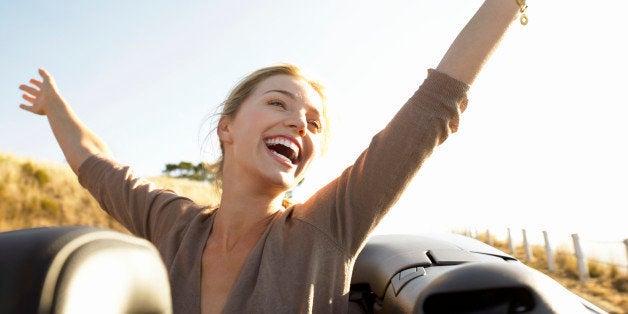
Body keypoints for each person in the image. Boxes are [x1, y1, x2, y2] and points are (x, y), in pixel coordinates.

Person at [18, 1, 526, 313]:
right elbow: (97, 166)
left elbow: (431, 111)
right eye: (279, 103)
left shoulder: (328, 225)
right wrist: (55, 107)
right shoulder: (172, 224)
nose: (298, 123)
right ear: (227, 129)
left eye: (313, 123)